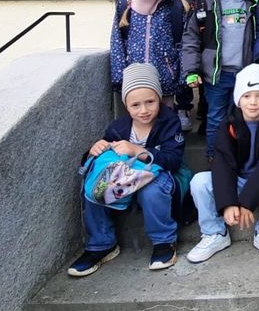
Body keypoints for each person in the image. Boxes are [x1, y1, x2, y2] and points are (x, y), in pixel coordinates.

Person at [67, 63, 184, 276]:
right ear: (126, 106)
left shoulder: (170, 123)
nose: (144, 110)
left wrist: (138, 150)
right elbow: (100, 158)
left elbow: (173, 160)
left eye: (150, 102)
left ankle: (163, 241)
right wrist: (94, 150)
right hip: (124, 181)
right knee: (95, 183)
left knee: (152, 190)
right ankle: (101, 244)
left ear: (159, 98)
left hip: (158, 176)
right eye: (135, 105)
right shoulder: (118, 127)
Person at [186, 64, 259, 263]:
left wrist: (246, 202)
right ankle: (215, 233)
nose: (253, 102)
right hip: (236, 182)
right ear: (238, 99)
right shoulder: (228, 124)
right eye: (246, 96)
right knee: (199, 182)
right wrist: (228, 203)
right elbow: (222, 163)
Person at [182, 0, 259, 158]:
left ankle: (237, 158)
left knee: (241, 117)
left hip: (244, 75)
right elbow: (191, 39)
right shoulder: (206, 3)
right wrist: (191, 70)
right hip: (216, 75)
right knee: (216, 119)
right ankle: (214, 158)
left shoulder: (252, 2)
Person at [109, 0, 186, 116]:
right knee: (138, 123)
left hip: (165, 79)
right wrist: (119, 76)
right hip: (133, 80)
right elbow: (117, 41)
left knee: (165, 124)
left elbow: (183, 42)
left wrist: (181, 77)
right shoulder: (126, 3)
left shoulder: (175, 5)